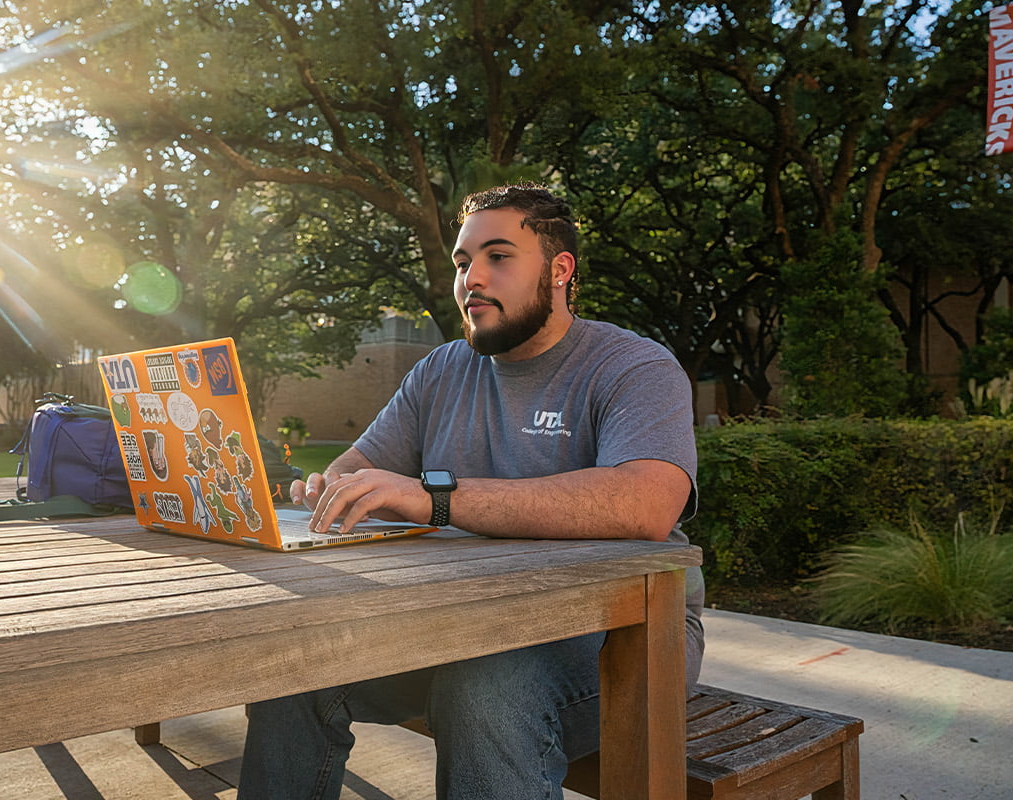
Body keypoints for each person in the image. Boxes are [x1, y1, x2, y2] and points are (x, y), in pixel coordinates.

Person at [237, 183, 705, 800]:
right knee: (292, 666)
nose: (471, 278)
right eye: (463, 262)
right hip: (459, 620)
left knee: (484, 685)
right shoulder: (441, 369)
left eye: (499, 256)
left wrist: (433, 496)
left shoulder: (632, 367)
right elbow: (358, 467)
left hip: (625, 638)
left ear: (560, 270)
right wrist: (332, 487)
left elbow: (646, 503)